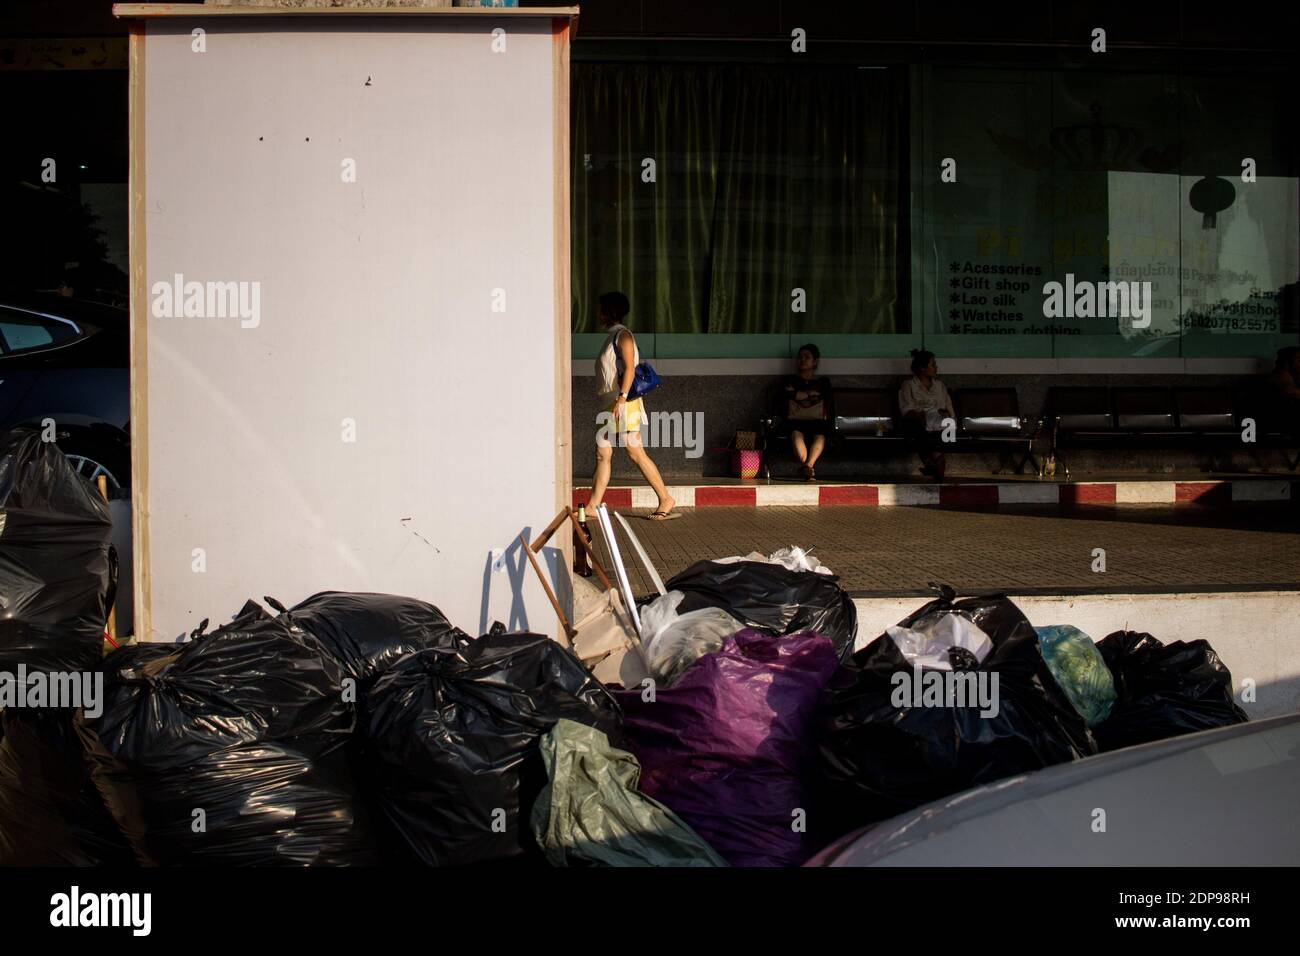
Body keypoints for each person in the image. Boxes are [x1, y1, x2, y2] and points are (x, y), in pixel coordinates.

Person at [585, 291, 678, 520]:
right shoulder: (612, 336)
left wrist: (622, 399)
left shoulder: (623, 336)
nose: (597, 313)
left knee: (634, 451)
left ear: (608, 311)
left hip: (623, 403)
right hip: (611, 403)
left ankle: (665, 498)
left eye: (600, 309)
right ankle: (593, 506)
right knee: (602, 453)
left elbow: (629, 368)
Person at [898, 349, 954, 479]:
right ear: (923, 368)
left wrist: (945, 415)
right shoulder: (909, 385)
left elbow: (948, 408)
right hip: (918, 424)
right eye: (933, 364)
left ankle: (932, 466)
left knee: (944, 431)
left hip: (938, 424)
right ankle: (934, 468)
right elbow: (906, 409)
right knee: (920, 429)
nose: (936, 367)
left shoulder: (939, 386)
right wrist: (921, 416)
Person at [782, 343, 833, 481]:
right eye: (800, 357)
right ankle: (809, 469)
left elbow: (824, 395)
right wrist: (811, 394)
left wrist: (800, 394)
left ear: (815, 361)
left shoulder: (823, 382)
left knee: (820, 436)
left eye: (807, 357)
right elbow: (790, 394)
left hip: (816, 420)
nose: (802, 360)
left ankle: (808, 466)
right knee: (796, 434)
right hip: (796, 420)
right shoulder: (790, 380)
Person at [1264, 346, 1300, 437]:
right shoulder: (1280, 376)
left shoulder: (1291, 376)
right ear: (1287, 362)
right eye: (1298, 359)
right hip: (1282, 431)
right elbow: (1290, 391)